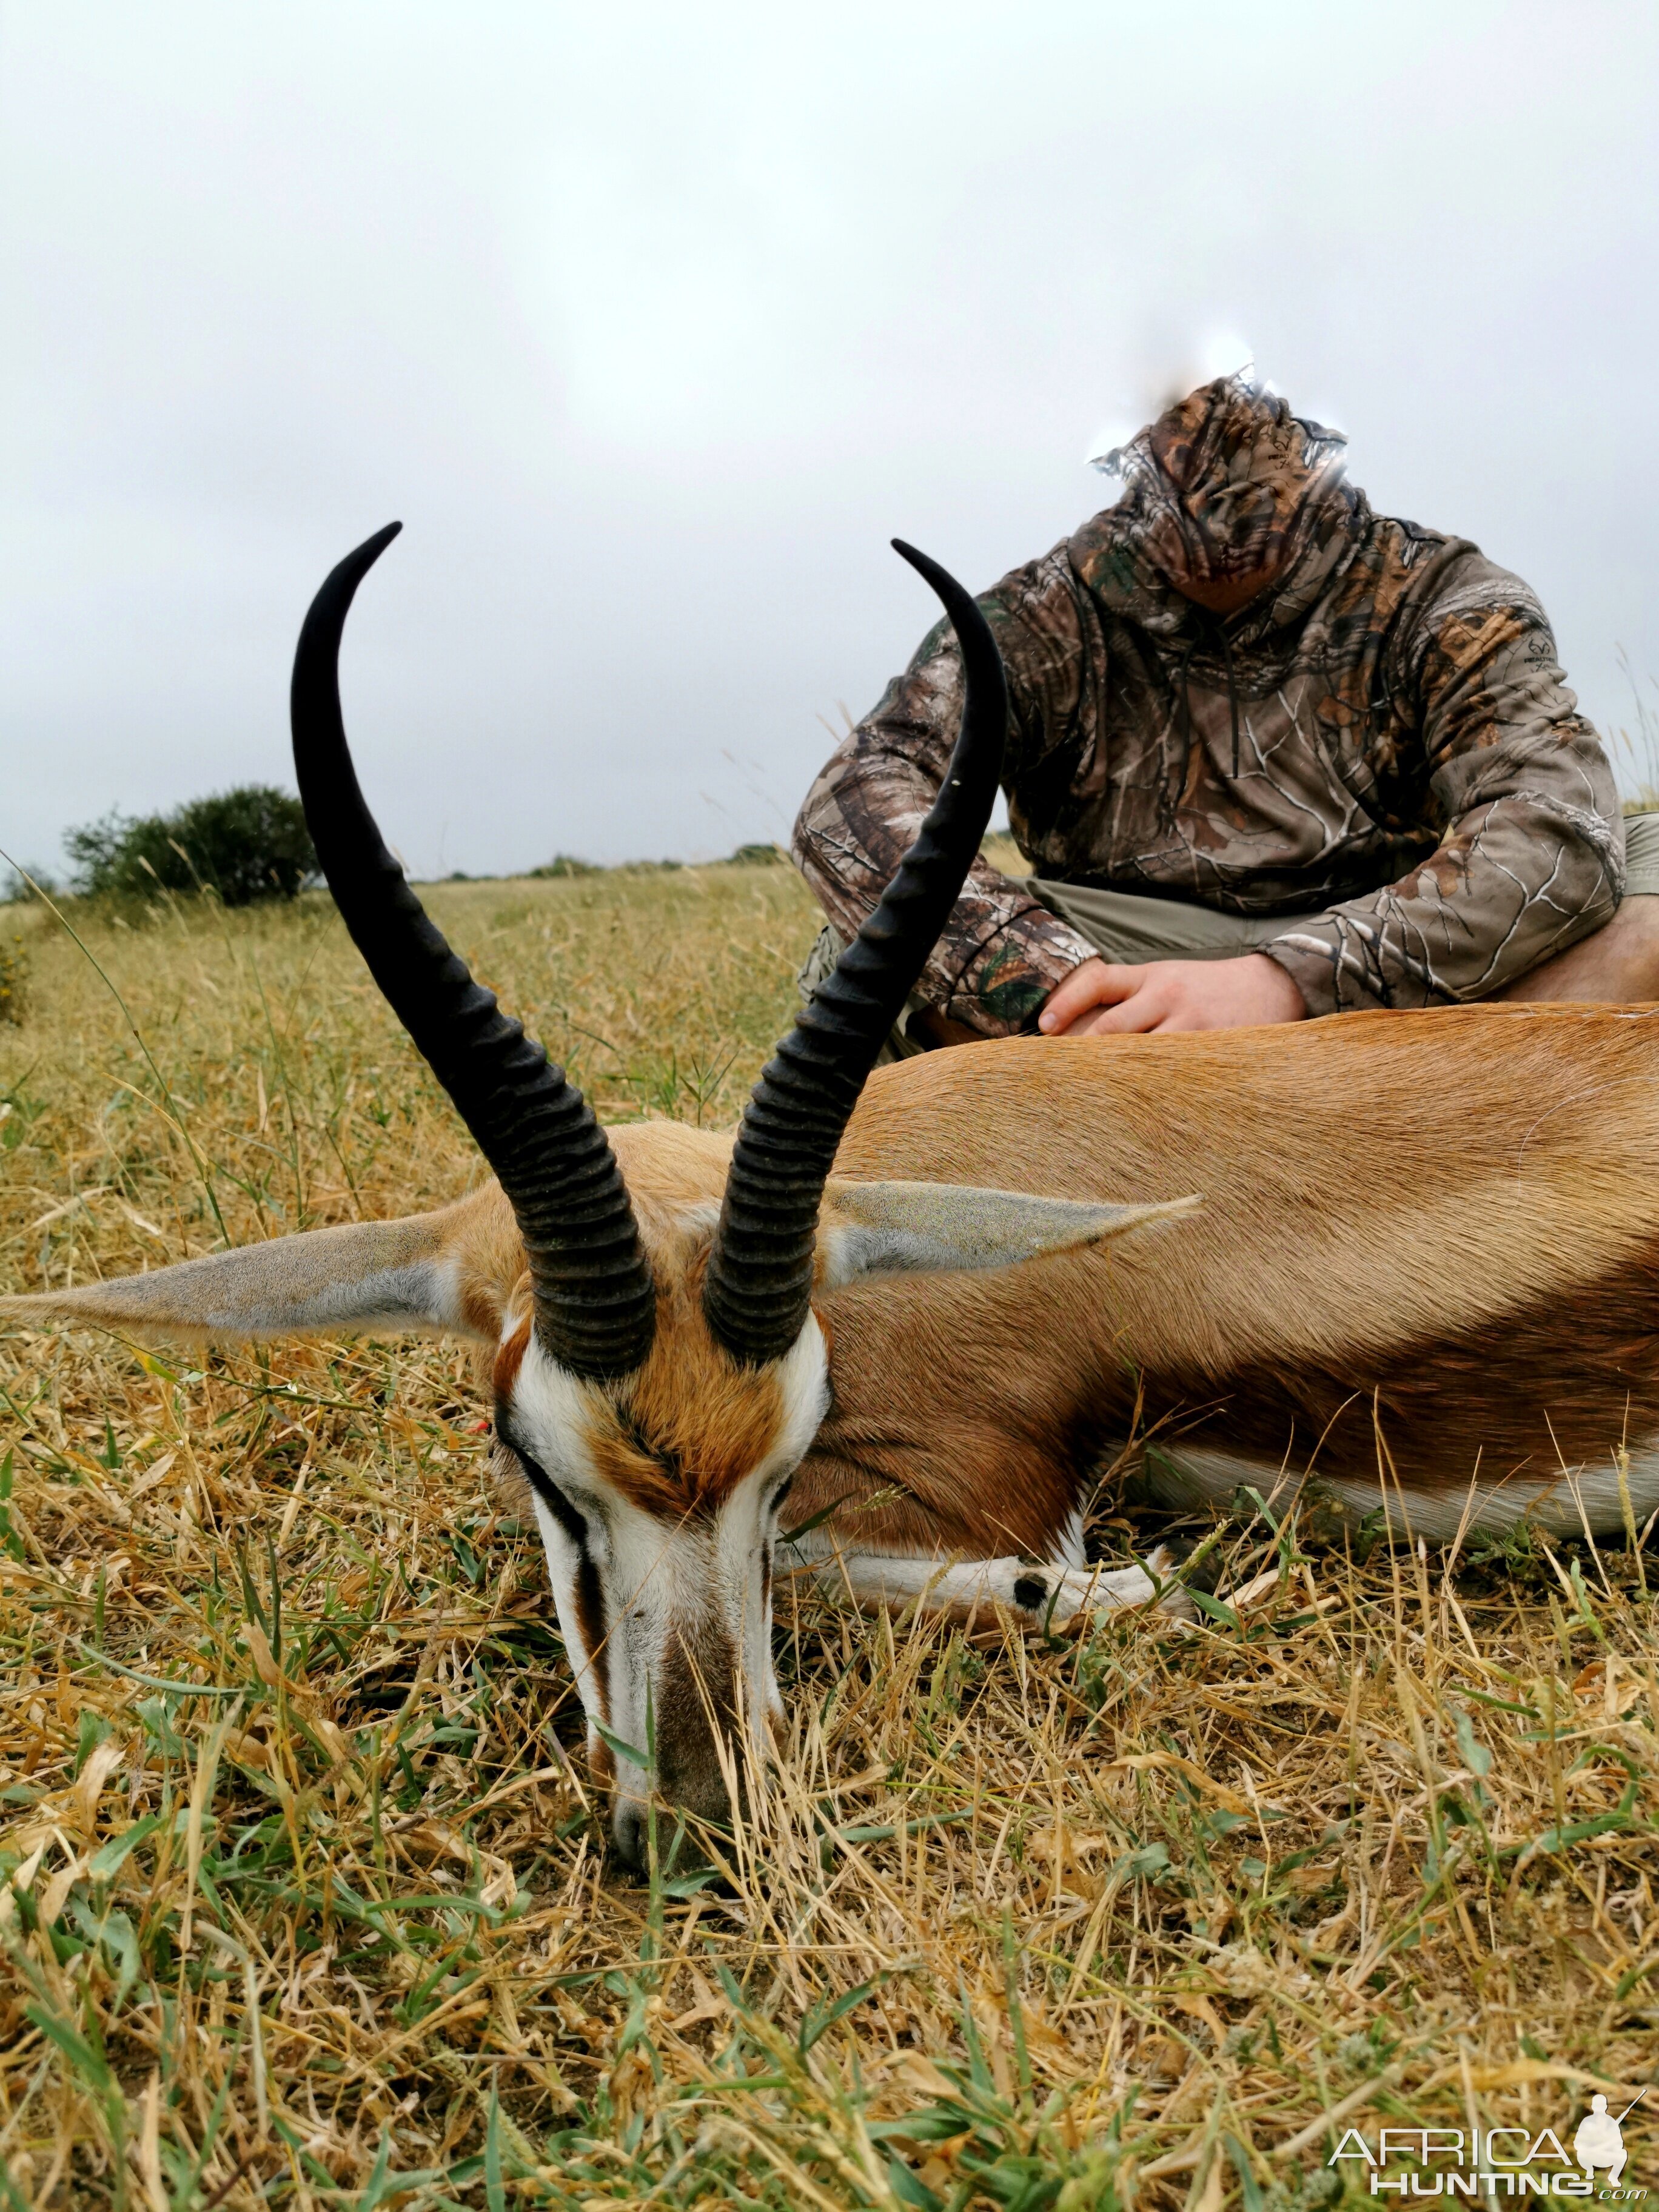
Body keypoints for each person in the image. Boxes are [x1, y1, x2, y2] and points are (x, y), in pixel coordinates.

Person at [793, 374, 1659, 1052]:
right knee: (871, 962)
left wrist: (1283, 983)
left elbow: (1554, 832)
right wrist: (1055, 988)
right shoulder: (1049, 614)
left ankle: (1314, 1090)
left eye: (1262, 542)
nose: (1225, 573)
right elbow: (856, 799)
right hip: (1134, 963)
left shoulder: (1446, 595)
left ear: (1317, 490)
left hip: (1401, 928)